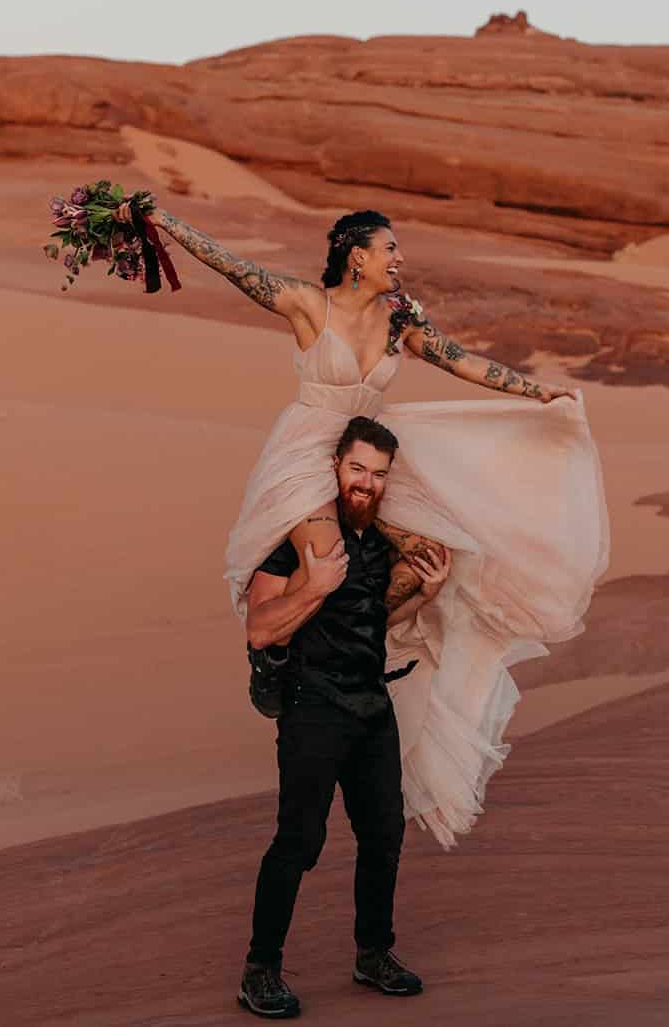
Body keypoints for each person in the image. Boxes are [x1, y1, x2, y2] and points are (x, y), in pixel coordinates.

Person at [116, 199, 610, 848]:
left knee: (436, 551)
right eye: (389, 250)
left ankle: (374, 649)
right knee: (329, 567)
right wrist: (164, 224)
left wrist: (538, 394)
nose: (398, 259)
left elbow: (459, 358)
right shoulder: (306, 304)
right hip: (305, 456)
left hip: (369, 451)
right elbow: (233, 267)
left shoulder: (401, 318)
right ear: (358, 257)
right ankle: (271, 656)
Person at [239, 416, 448, 1018]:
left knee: (385, 835)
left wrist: (422, 595)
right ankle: (260, 970)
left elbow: (372, 621)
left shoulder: (379, 544)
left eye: (378, 474)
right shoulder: (295, 541)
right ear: (335, 468)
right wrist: (315, 586)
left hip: (371, 707)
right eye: (357, 469)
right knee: (299, 841)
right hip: (313, 707)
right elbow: (259, 627)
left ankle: (373, 954)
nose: (366, 483)